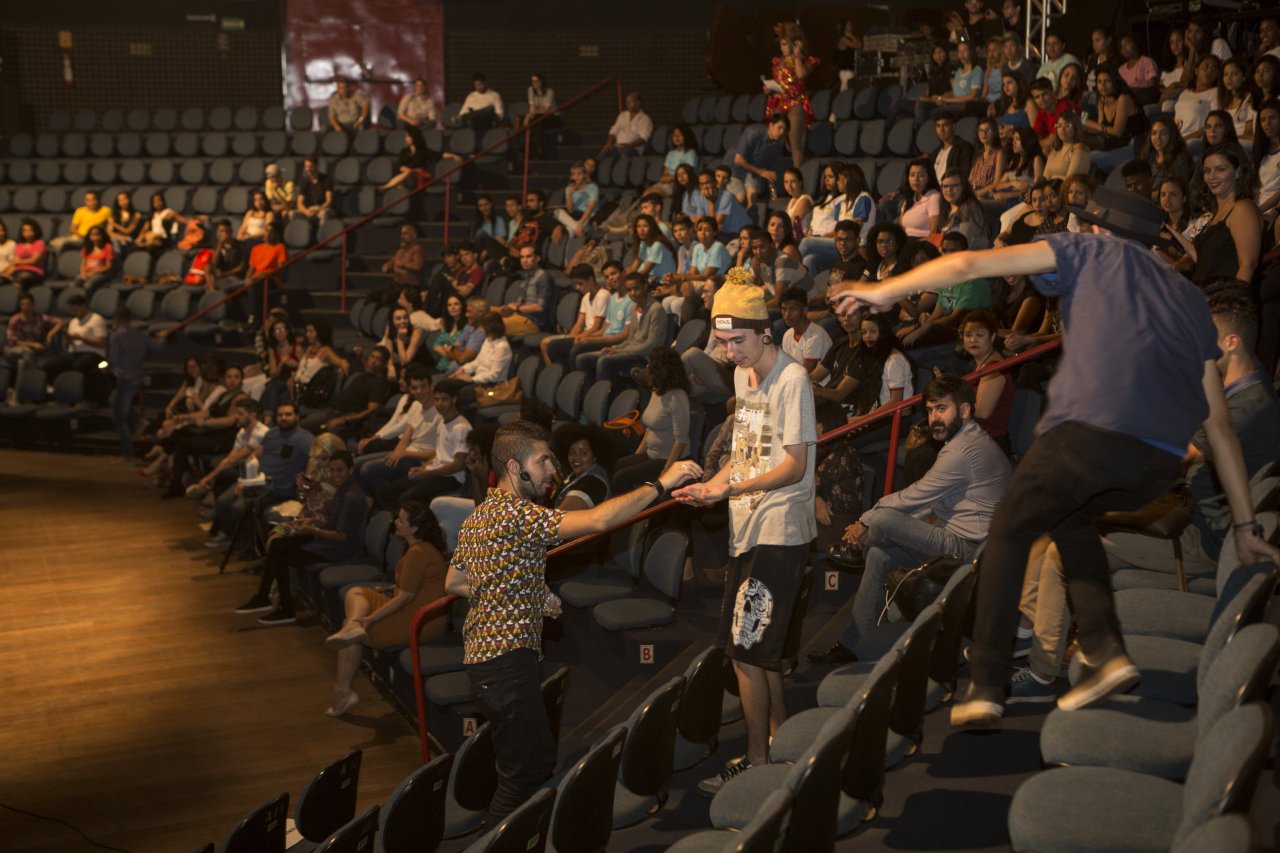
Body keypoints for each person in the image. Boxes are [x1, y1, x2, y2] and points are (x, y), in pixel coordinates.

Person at [831, 186, 1280, 726]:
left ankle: (986, 682)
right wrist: (1247, 523)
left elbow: (972, 261)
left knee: (1009, 529)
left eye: (1088, 223)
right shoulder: (1187, 297)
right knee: (1066, 515)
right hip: (1153, 467)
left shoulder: (1090, 252)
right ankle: (1105, 647)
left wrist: (887, 290)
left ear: (1101, 230)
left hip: (1090, 436)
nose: (1083, 228)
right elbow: (1221, 428)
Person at [444, 421, 701, 817]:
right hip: (506, 665)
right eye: (543, 459)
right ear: (515, 468)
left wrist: (527, 592)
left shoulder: (481, 516)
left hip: (488, 664)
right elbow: (598, 521)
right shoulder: (517, 513)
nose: (552, 470)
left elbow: (456, 581)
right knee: (521, 780)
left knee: (532, 761)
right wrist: (661, 483)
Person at [672, 268, 817, 794]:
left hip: (780, 531)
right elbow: (745, 455)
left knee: (745, 650)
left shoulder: (793, 380)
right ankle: (780, 742)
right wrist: (714, 484)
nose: (729, 351)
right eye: (723, 341)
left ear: (765, 334)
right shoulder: (741, 376)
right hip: (747, 527)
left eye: (738, 341)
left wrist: (728, 491)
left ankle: (756, 766)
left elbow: (794, 466)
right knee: (760, 650)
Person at [807, 374, 1011, 665]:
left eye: (942, 409)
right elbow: (925, 504)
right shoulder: (963, 442)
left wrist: (866, 521)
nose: (934, 418)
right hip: (958, 540)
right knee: (878, 554)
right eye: (929, 410)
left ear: (965, 411)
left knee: (883, 520)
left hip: (971, 550)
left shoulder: (963, 451)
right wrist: (871, 525)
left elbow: (914, 497)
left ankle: (857, 546)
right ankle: (854, 645)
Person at [323, 501, 449, 716]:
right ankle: (354, 627)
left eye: (401, 520)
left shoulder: (418, 553)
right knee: (356, 592)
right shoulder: (417, 548)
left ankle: (342, 692)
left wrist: (371, 619)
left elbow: (405, 598)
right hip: (410, 606)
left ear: (414, 528)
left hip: (422, 620)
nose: (396, 523)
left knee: (353, 630)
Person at [235, 450, 368, 626]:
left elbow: (341, 536)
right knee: (278, 544)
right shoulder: (343, 490)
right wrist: (312, 520)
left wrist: (312, 530)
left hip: (337, 549)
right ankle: (266, 598)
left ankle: (281, 607)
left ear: (350, 470)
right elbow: (333, 521)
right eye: (332, 470)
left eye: (340, 470)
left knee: (280, 556)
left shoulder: (351, 496)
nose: (335, 475)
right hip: (326, 540)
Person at [1166, 142, 1261, 284]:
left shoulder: (1243, 208)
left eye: (1220, 169)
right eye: (1207, 171)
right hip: (1203, 297)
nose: (1212, 176)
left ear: (1237, 172)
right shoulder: (1214, 215)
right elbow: (1206, 260)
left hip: (1227, 301)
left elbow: (1248, 265)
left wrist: (1232, 302)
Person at [612, 346, 691, 494]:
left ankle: (629, 515)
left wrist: (667, 470)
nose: (647, 368)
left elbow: (681, 440)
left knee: (621, 478)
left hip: (667, 458)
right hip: (651, 453)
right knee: (614, 466)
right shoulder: (657, 390)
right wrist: (637, 456)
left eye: (651, 364)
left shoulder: (677, 397)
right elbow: (650, 428)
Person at [107, 306, 167, 461]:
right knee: (115, 401)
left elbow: (113, 361)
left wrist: (114, 371)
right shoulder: (141, 334)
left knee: (119, 417)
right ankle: (139, 421)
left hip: (125, 378)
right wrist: (163, 337)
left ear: (117, 320)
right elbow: (159, 346)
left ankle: (129, 453)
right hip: (138, 377)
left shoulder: (116, 337)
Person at [767, 22, 818, 167]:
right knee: (773, 139)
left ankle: (796, 174)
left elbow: (801, 75)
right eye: (781, 44)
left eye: (784, 44)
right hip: (780, 101)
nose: (781, 48)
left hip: (796, 102)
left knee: (795, 142)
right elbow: (779, 83)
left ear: (794, 44)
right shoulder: (778, 63)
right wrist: (770, 89)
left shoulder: (806, 61)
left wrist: (797, 55)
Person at [39, 292, 108, 395]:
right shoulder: (73, 322)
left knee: (77, 366)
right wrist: (68, 341)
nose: (74, 313)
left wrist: (81, 338)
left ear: (83, 306)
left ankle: (77, 394)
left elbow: (102, 342)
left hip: (93, 353)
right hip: (75, 353)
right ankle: (56, 391)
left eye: (75, 310)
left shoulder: (97, 319)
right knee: (49, 365)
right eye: (72, 310)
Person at [541, 264, 607, 367]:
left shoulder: (603, 295)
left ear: (590, 280)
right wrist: (571, 337)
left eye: (580, 284)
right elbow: (579, 325)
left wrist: (576, 338)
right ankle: (555, 376)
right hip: (584, 334)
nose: (577, 287)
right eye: (575, 284)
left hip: (594, 337)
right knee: (545, 343)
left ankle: (565, 375)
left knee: (553, 346)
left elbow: (595, 327)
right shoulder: (586, 297)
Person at [730, 114, 790, 207]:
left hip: (753, 172)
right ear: (771, 125)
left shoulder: (778, 144)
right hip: (735, 170)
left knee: (753, 199)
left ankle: (750, 220)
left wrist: (774, 195)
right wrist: (761, 172)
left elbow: (771, 171)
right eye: (780, 127)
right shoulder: (753, 133)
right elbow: (738, 160)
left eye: (784, 129)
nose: (782, 132)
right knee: (741, 198)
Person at [499, 245, 553, 335]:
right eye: (522, 257)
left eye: (528, 256)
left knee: (491, 324)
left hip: (533, 321)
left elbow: (540, 307)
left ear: (537, 258)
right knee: (483, 312)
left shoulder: (543, 277)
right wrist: (509, 308)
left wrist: (517, 308)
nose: (524, 260)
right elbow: (522, 302)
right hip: (520, 316)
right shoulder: (526, 276)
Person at [778, 285, 831, 370]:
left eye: (793, 309)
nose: (787, 315)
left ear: (805, 310)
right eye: (784, 309)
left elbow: (806, 372)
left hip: (815, 382)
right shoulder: (788, 335)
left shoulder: (815, 336)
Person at [552, 162, 599, 237]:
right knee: (557, 211)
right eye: (574, 174)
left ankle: (571, 230)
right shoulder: (569, 189)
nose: (576, 176)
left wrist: (580, 223)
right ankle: (577, 229)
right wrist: (570, 194)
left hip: (588, 215)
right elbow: (570, 210)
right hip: (575, 215)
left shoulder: (593, 188)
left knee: (574, 227)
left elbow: (590, 208)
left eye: (579, 174)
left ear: (585, 175)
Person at [599, 90, 653, 156]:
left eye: (631, 102)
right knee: (603, 153)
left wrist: (628, 145)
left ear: (638, 103)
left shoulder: (645, 119)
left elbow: (643, 139)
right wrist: (609, 143)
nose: (627, 104)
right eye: (627, 102)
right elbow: (614, 131)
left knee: (624, 154)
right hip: (618, 146)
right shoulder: (622, 115)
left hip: (633, 149)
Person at [294, 158, 334, 227]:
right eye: (306, 166)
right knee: (292, 213)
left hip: (323, 208)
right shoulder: (304, 181)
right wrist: (306, 211)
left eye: (310, 166)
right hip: (309, 210)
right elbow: (299, 203)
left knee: (323, 214)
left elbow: (329, 201)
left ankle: (323, 236)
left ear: (316, 166)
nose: (308, 169)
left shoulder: (326, 179)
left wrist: (319, 209)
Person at [73, 226, 114, 293]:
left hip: (101, 274)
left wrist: (93, 272)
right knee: (75, 283)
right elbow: (83, 263)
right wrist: (83, 273)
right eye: (93, 235)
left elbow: (108, 267)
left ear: (102, 235)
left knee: (88, 285)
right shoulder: (87, 248)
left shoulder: (107, 247)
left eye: (97, 235)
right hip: (87, 273)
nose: (95, 238)